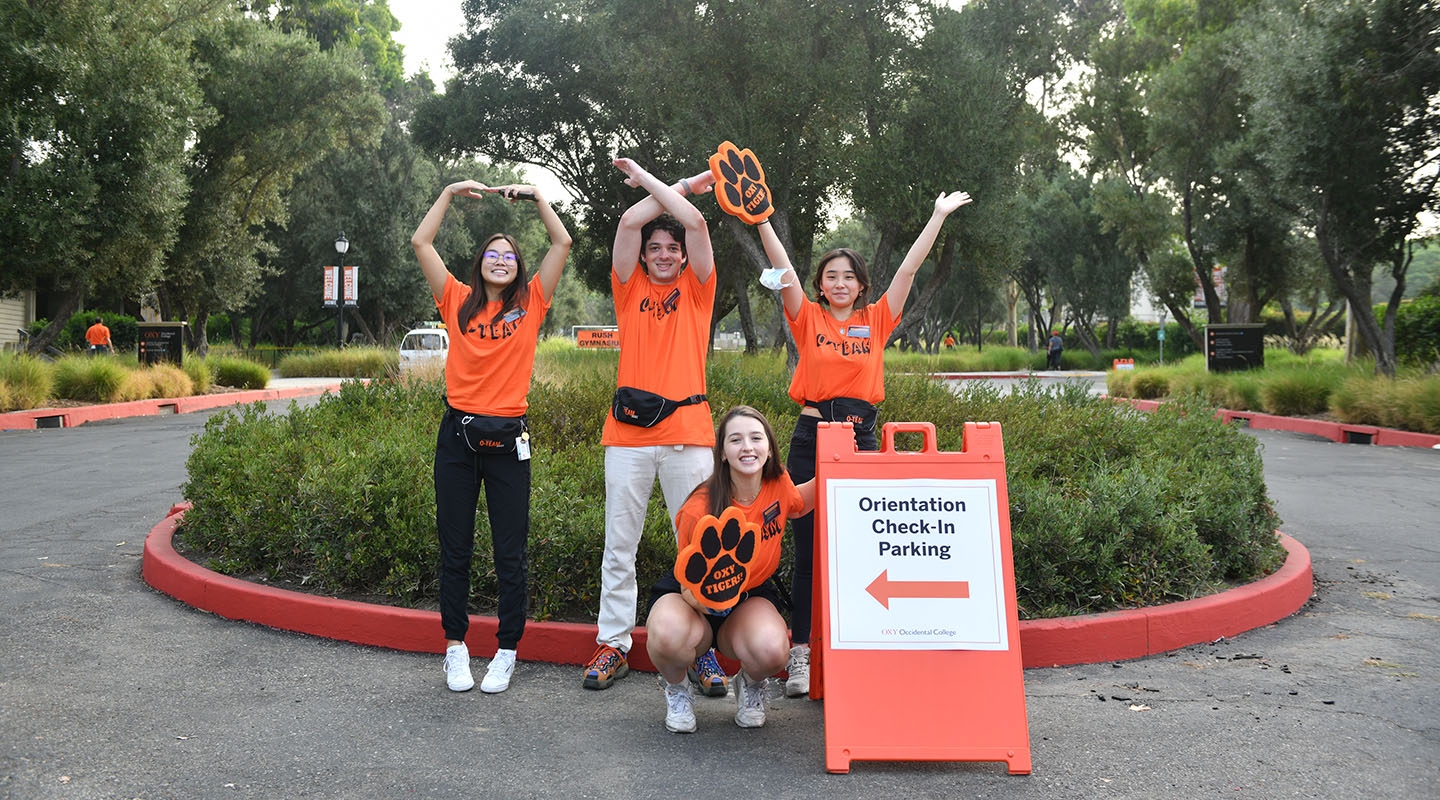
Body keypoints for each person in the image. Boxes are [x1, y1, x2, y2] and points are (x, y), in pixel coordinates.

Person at [755, 188, 972, 697]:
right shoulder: (806, 316)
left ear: (860, 285)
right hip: (812, 435)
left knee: (861, 545)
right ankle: (803, 654)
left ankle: (860, 648)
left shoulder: (877, 320)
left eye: (848, 276)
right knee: (807, 548)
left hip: (861, 438)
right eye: (830, 276)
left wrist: (937, 216)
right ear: (820, 285)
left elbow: (909, 274)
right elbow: (780, 262)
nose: (839, 283)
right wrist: (765, 217)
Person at [410, 179, 572, 694]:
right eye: (491, 253)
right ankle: (455, 648)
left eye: (509, 255)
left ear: (518, 267)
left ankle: (506, 651)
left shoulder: (533, 302)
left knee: (509, 551)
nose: (500, 260)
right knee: (455, 548)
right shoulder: (455, 299)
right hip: (456, 438)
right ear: (479, 261)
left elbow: (562, 243)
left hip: (509, 443)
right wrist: (450, 192)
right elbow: (421, 243)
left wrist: (537, 198)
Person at [584, 158, 727, 694]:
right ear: (644, 257)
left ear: (684, 256)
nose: (664, 254)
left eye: (672, 249)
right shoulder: (629, 288)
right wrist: (678, 185)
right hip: (628, 437)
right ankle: (613, 644)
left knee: (698, 544)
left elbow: (697, 224)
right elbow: (626, 223)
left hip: (689, 434)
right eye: (656, 249)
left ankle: (701, 648)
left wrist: (654, 179)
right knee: (620, 543)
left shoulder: (699, 289)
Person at [646, 406, 816, 732]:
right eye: (735, 440)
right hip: (693, 597)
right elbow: (687, 585)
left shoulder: (778, 484)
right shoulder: (699, 508)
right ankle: (678, 689)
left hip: (749, 596)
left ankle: (749, 684)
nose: (747, 447)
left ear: (769, 447)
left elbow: (800, 502)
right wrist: (712, 601)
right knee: (667, 635)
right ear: (722, 453)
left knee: (772, 650)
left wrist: (839, 466)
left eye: (756, 438)